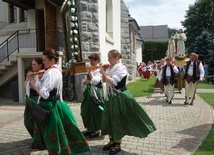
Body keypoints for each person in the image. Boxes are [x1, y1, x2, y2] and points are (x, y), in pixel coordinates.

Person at [33, 49, 91, 154]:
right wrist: (40, 79)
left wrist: (36, 85)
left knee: (53, 133)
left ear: (52, 60)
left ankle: (57, 152)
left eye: (44, 60)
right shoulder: (54, 70)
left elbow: (45, 94)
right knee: (60, 131)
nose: (43, 62)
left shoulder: (51, 73)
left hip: (50, 105)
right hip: (54, 104)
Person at [100, 49, 156, 155]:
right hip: (110, 97)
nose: (108, 60)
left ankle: (118, 144)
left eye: (110, 58)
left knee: (118, 120)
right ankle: (111, 140)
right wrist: (103, 71)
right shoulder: (111, 68)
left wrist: (103, 72)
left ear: (117, 58)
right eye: (108, 57)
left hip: (119, 97)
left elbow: (113, 83)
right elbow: (104, 80)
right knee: (108, 118)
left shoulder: (121, 68)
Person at [81, 53, 104, 139]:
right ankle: (89, 128)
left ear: (97, 60)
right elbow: (84, 82)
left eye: (93, 60)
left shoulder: (99, 69)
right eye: (90, 60)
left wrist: (90, 74)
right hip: (88, 92)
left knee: (95, 111)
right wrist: (89, 79)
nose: (91, 62)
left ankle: (96, 129)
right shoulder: (91, 69)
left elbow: (96, 81)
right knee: (86, 110)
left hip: (96, 92)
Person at [23, 58, 44, 148]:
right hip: (29, 100)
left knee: (37, 123)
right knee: (28, 121)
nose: (32, 66)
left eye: (34, 64)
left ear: (40, 65)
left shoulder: (41, 74)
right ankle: (35, 139)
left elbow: (37, 88)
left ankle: (38, 141)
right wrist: (28, 78)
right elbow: (25, 86)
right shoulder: (32, 74)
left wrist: (31, 79)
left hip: (36, 100)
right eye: (32, 64)